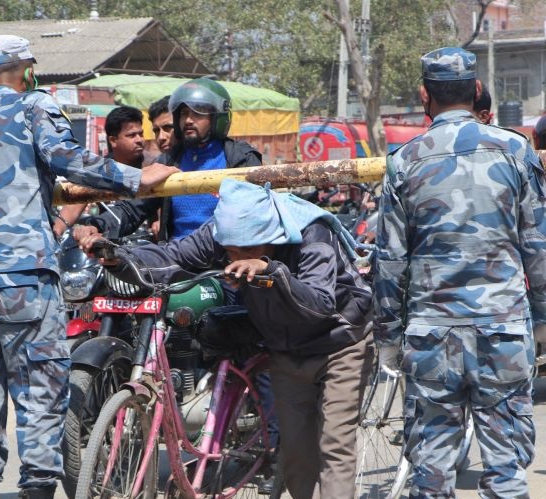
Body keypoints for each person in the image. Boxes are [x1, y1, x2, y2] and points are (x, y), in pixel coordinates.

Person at [0, 35, 177, 499]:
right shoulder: (35, 106)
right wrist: (138, 179)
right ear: (29, 71)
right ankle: (36, 489)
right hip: (23, 271)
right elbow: (65, 158)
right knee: (41, 388)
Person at [81, 178, 373, 498]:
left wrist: (271, 271)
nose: (233, 256)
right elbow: (175, 255)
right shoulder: (221, 232)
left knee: (334, 447)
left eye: (244, 249)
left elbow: (320, 305)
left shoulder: (312, 236)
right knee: (296, 456)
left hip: (340, 343)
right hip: (284, 348)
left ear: (271, 236)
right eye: (229, 250)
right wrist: (121, 259)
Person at [374, 47, 545, 498]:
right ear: (475, 90)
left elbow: (390, 260)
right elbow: (538, 246)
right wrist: (544, 318)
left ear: (423, 94)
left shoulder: (404, 160)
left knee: (430, 476)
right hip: (503, 331)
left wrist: (388, 336)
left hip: (432, 337)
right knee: (507, 474)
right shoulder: (515, 149)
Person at [75, 77, 262, 242]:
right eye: (183, 113)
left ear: (218, 117)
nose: (188, 120)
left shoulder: (241, 159)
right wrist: (97, 225)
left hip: (225, 263)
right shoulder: (170, 160)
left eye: (198, 112)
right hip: (176, 261)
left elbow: (255, 219)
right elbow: (133, 208)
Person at [52, 105, 146, 237]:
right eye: (132, 135)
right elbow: (76, 201)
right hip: (108, 240)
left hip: (147, 246)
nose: (139, 140)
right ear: (113, 140)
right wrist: (56, 232)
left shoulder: (152, 167)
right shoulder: (101, 170)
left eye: (141, 134)